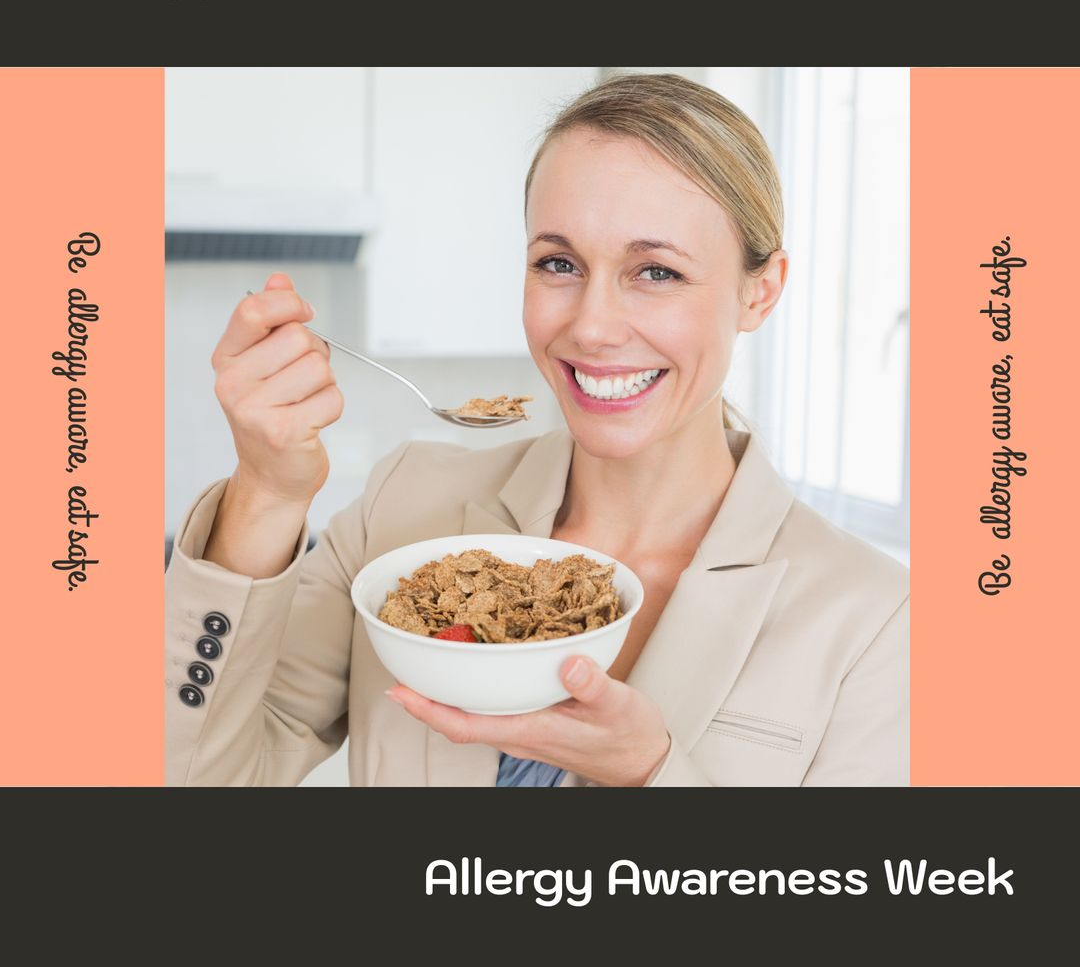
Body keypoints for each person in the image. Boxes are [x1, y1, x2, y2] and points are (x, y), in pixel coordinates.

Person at [165, 72, 909, 787]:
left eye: (657, 272)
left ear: (761, 292)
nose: (591, 326)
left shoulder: (871, 619)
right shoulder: (404, 512)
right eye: (558, 263)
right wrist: (266, 490)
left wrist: (650, 773)